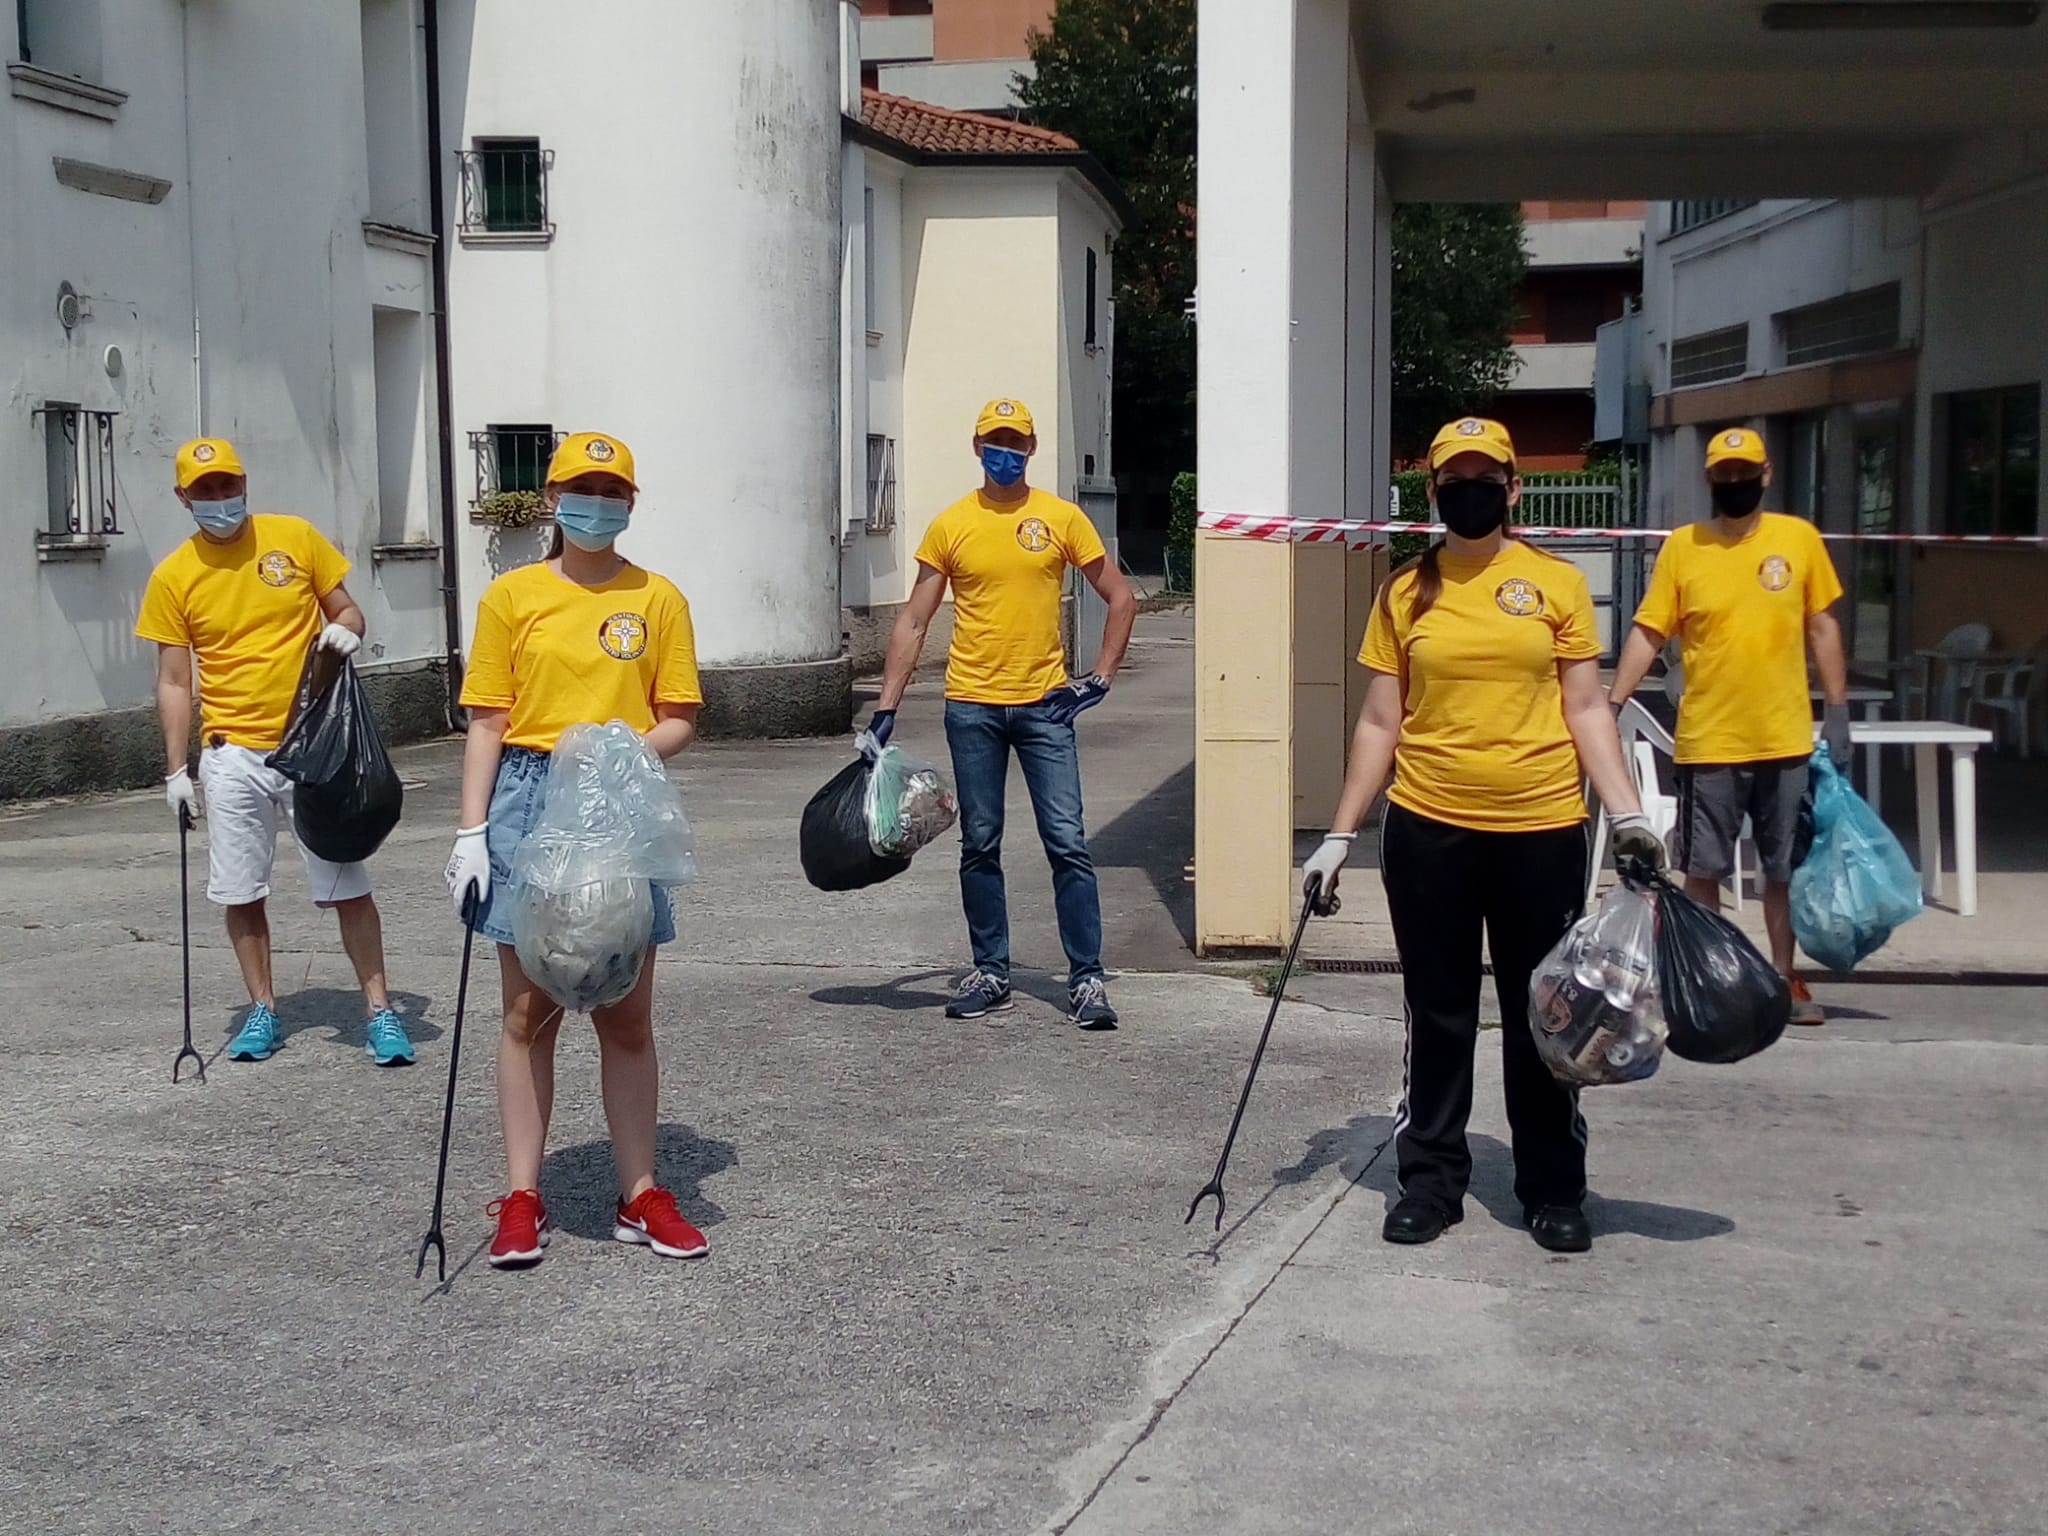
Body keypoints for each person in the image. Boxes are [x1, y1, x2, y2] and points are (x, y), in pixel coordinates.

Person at [1303, 417, 1666, 1255]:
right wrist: (1338, 834)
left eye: (1485, 477)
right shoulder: (1403, 592)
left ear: (1513, 488)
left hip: (1541, 829)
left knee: (1547, 1014)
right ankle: (1429, 1181)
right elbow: (1379, 720)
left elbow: (1586, 708)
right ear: (1433, 493)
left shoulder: (1556, 585)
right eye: (1451, 479)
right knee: (1437, 1013)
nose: (1469, 491)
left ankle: (1552, 1186)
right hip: (1429, 828)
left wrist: (1629, 815)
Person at [443, 432, 709, 1270]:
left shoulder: (658, 598)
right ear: (553, 500)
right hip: (528, 799)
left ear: (631, 502)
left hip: (620, 801)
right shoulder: (512, 597)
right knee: (529, 1012)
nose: (599, 504)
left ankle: (640, 1193)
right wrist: (472, 831)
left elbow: (680, 715)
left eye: (614, 490)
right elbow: (488, 717)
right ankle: (523, 1196)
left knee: (625, 1011)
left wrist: (619, 749)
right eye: (582, 489)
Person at [136, 437, 413, 1066]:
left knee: (347, 880)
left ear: (244, 483)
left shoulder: (293, 538)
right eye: (204, 490)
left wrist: (345, 629)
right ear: (183, 497)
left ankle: (380, 1010)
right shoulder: (174, 576)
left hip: (312, 743)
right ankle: (262, 1009)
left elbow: (347, 609)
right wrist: (175, 769)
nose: (219, 498)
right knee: (241, 891)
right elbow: (176, 680)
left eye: (227, 484)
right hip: (232, 752)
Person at [864, 398, 1137, 1029]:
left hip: (1046, 707)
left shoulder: (1060, 518)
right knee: (979, 843)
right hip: (972, 706)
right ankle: (991, 971)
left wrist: (1099, 678)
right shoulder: (952, 525)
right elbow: (913, 619)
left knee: (1067, 842)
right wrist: (885, 709)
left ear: (1033, 447)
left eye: (1017, 441)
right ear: (977, 445)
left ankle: (1087, 980)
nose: (1006, 451)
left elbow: (1120, 598)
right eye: (995, 440)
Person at [1608, 426, 1848, 1025]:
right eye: (1725, 476)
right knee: (1704, 869)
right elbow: (1648, 631)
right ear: (1711, 480)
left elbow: (1821, 626)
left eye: (1746, 474)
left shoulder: (1799, 540)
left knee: (1780, 869)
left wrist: (1837, 708)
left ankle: (1787, 979)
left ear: (1766, 475)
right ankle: (1713, 981)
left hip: (1785, 737)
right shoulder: (1685, 548)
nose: (1736, 484)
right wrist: (1611, 702)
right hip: (1711, 738)